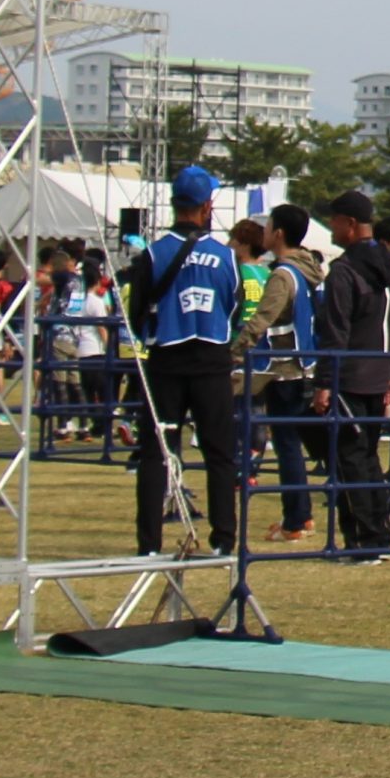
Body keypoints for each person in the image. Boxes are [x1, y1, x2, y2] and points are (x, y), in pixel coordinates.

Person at [123, 166, 244, 557]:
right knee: (219, 453)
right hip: (212, 358)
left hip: (166, 361)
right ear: (207, 206)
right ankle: (224, 539)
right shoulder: (226, 256)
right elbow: (235, 310)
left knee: (157, 453)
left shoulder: (153, 253)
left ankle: (149, 544)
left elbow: (136, 312)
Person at [314, 189, 390, 557]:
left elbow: (335, 331)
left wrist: (324, 382)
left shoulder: (345, 271)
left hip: (350, 375)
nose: (331, 228)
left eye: (334, 221)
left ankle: (363, 540)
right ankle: (379, 532)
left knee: (350, 460)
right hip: (380, 371)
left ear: (350, 224)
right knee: (368, 456)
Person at [231, 201, 323, 543]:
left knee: (286, 445)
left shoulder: (283, 275)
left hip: (282, 369)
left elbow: (261, 320)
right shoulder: (307, 270)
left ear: (279, 233)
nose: (264, 232)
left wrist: (234, 351)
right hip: (302, 365)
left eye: (268, 227)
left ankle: (295, 520)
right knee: (291, 444)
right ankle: (302, 514)